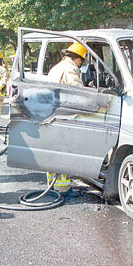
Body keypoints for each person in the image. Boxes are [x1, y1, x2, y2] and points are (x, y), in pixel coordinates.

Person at [45, 42, 88, 197]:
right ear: (78, 59)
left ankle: (52, 185)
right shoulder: (71, 69)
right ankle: (62, 188)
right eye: (82, 61)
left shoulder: (56, 68)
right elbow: (78, 93)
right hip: (63, 116)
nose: (81, 64)